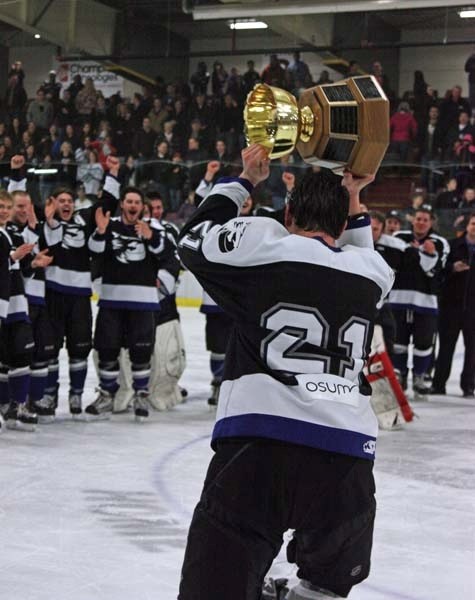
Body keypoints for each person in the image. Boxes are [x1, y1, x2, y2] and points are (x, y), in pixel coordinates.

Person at [176, 144, 394, 600]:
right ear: (343, 222)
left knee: (214, 587)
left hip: (261, 447)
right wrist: (352, 194)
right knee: (326, 585)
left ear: (289, 212)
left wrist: (244, 180)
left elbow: (193, 238)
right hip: (347, 457)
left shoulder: (266, 246)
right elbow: (356, 242)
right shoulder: (373, 272)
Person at [85, 185, 173, 421]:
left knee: (141, 353)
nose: (133, 206)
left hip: (143, 304)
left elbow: (166, 254)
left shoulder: (153, 227)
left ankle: (141, 395)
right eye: (129, 201)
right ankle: (106, 395)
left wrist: (150, 237)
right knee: (107, 350)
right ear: (122, 204)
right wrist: (101, 232)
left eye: (137, 202)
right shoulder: (109, 225)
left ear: (142, 207)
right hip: (112, 302)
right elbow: (93, 251)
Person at [388, 207, 449, 397]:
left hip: (426, 303)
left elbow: (434, 271)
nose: (421, 222)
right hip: (398, 299)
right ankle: (400, 375)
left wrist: (427, 255)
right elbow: (396, 263)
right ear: (412, 220)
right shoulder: (399, 236)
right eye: (418, 219)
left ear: (431, 223)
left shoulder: (440, 242)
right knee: (399, 342)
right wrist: (418, 255)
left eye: (425, 220)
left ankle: (420, 377)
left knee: (424, 343)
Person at [430, 213, 475, 398]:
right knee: (446, 347)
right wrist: (452, 268)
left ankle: (468, 386)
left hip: (473, 309)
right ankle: (438, 384)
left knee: (472, 349)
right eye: (473, 223)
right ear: (467, 225)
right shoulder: (452, 245)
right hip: (450, 306)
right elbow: (438, 270)